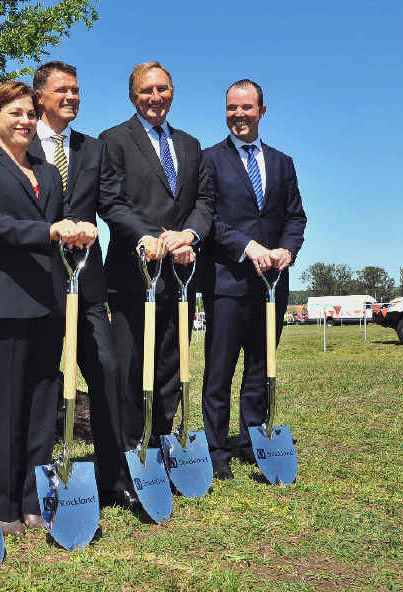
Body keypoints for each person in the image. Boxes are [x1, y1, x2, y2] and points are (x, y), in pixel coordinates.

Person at [0, 80, 96, 537]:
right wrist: (49, 232)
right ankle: (2, 506)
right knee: (3, 408)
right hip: (0, 304)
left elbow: (62, 218)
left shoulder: (48, 171)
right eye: (14, 113)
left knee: (41, 404)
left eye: (31, 114)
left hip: (47, 301)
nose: (25, 121)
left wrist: (78, 230)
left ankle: (36, 498)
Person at [28, 61, 151, 511]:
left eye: (76, 90)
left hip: (88, 284)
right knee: (41, 383)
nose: (72, 97)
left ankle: (114, 479)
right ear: (40, 96)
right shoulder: (21, 144)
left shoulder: (92, 148)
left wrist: (143, 234)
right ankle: (39, 485)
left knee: (107, 373)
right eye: (62, 90)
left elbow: (113, 203)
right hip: (38, 286)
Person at [99, 61, 214, 458]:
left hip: (181, 272)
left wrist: (187, 236)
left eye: (162, 89)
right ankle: (132, 450)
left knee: (171, 364)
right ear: (133, 96)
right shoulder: (112, 141)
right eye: (146, 90)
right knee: (131, 367)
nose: (155, 97)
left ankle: (163, 444)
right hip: (133, 274)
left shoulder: (190, 144)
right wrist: (151, 237)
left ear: (172, 92)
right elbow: (112, 201)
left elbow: (204, 201)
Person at [198, 79, 307, 480]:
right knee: (219, 370)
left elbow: (295, 218)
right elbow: (210, 219)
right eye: (231, 108)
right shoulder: (209, 159)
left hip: (271, 286)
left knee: (261, 368)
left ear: (262, 111)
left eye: (246, 108)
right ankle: (215, 450)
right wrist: (249, 247)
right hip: (227, 281)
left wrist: (286, 250)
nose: (238, 115)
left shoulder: (282, 163)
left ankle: (251, 441)